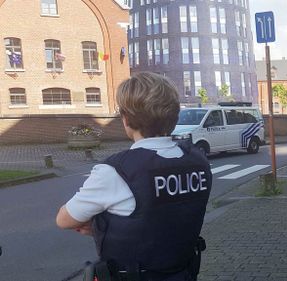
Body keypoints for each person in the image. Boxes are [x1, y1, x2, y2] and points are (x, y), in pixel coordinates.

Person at [56, 72, 212, 281]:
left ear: (126, 119)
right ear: (175, 117)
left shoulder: (117, 171)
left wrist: (100, 226)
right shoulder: (198, 162)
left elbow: (64, 219)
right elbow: (169, 219)